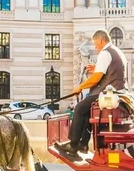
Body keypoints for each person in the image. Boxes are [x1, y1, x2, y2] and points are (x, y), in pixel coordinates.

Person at [53, 29, 126, 159]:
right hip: (117, 92)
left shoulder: (105, 52)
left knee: (80, 108)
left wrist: (80, 87)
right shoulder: (117, 51)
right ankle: (83, 145)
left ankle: (74, 144)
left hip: (107, 93)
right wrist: (95, 69)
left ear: (101, 40)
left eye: (95, 43)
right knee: (87, 110)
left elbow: (98, 77)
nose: (95, 47)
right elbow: (108, 71)